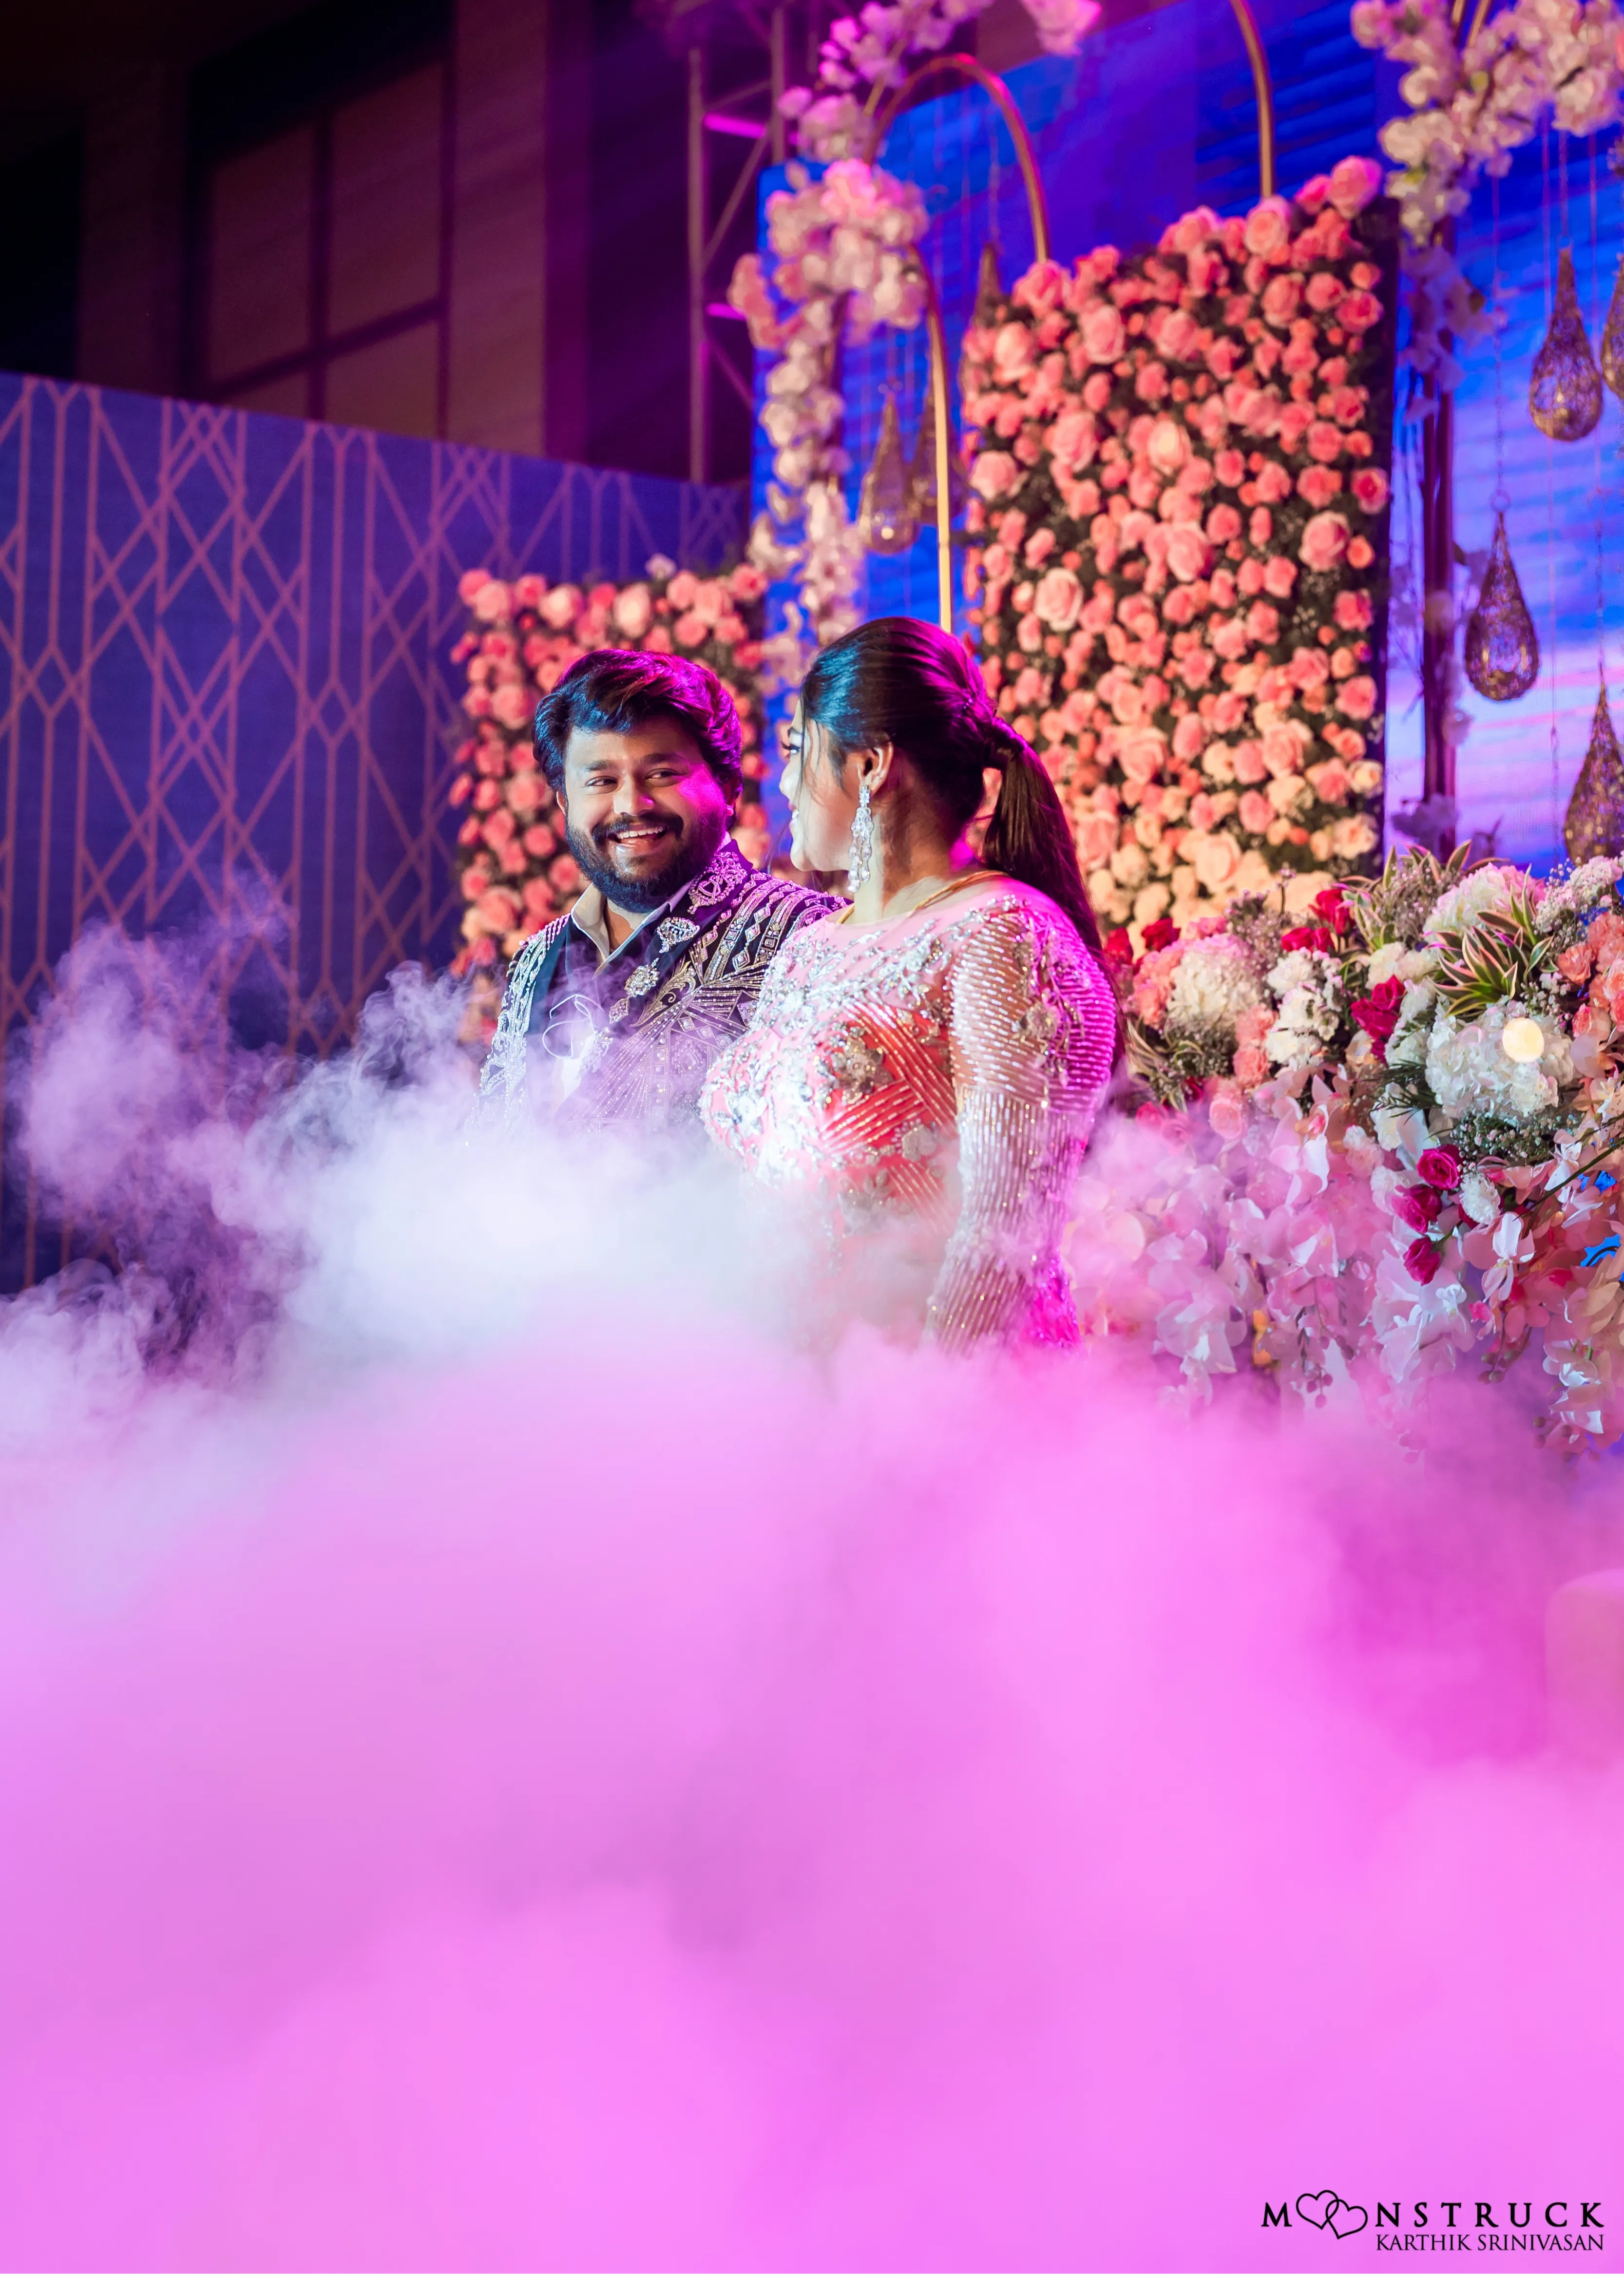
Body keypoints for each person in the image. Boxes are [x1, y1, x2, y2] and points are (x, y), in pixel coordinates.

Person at [700, 616, 1119, 1350]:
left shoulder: (1005, 935)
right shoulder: (809, 947)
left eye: (797, 749)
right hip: (787, 1379)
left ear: (870, 765)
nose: (786, 783)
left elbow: (1003, 1239)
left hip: (935, 1390)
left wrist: (914, 1407)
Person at [476, 649, 835, 1136]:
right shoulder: (536, 957)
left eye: (662, 774)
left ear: (729, 786)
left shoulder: (809, 937)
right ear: (565, 801)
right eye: (601, 781)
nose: (631, 804)